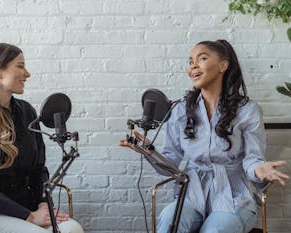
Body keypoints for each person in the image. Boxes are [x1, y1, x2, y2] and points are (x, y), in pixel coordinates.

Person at [119, 39, 289, 233]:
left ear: (223, 65)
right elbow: (171, 165)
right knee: (168, 221)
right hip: (192, 193)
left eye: (202, 59)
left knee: (215, 230)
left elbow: (252, 158)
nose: (193, 66)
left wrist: (259, 169)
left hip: (234, 195)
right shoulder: (180, 110)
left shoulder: (247, 110)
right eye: (190, 61)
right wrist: (149, 152)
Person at [0, 43, 84, 233]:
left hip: (27, 207)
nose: (27, 73)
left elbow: (39, 169)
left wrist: (41, 203)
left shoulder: (27, 113)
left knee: (73, 229)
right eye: (20, 65)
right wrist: (29, 217)